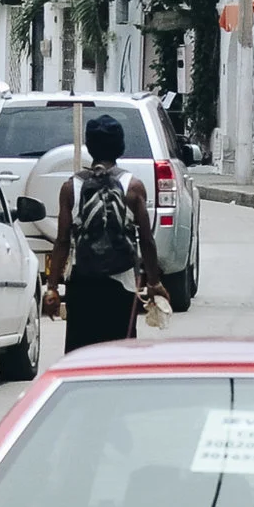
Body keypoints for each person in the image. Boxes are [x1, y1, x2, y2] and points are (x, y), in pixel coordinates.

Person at [43, 109, 170, 353]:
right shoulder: (133, 187)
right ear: (120, 147)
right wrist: (154, 282)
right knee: (120, 357)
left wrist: (52, 287)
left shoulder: (72, 187)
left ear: (89, 148)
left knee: (80, 356)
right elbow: (146, 240)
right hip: (121, 286)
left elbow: (61, 241)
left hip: (83, 285)